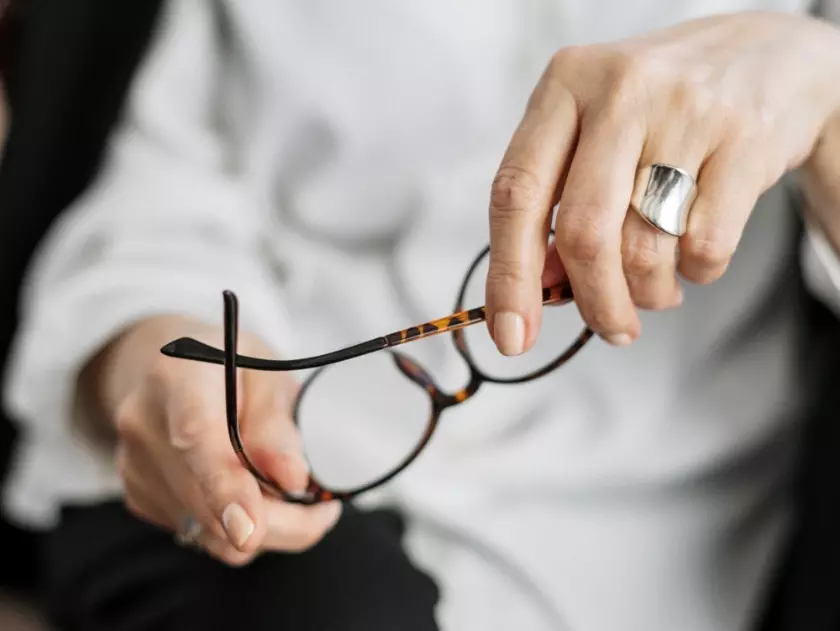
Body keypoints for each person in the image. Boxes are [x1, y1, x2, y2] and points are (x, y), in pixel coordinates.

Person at [3, 0, 840, 630]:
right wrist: (149, 353)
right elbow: (160, 191)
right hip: (264, 511)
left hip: (671, 541)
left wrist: (823, 88)